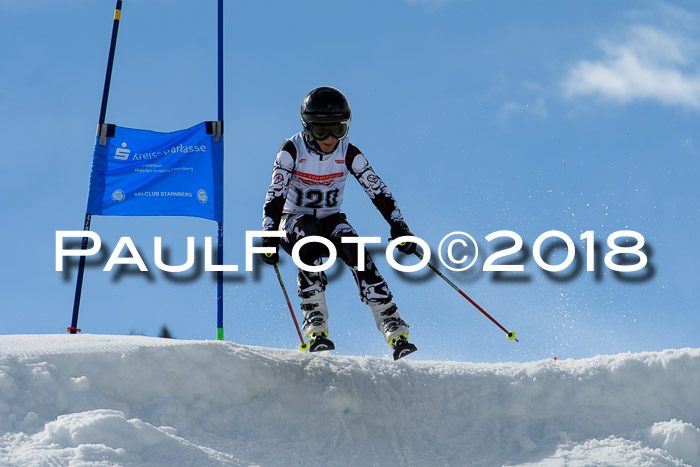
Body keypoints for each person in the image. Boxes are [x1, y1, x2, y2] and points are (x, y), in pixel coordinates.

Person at [260, 86, 418, 360]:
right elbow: (276, 193)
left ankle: (392, 324)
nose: (330, 139)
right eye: (322, 131)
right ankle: (315, 321)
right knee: (308, 235)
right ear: (308, 128)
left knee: (354, 245)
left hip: (330, 220)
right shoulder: (291, 150)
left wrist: (399, 226)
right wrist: (269, 233)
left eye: (338, 130)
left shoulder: (348, 153)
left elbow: (377, 189)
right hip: (294, 223)